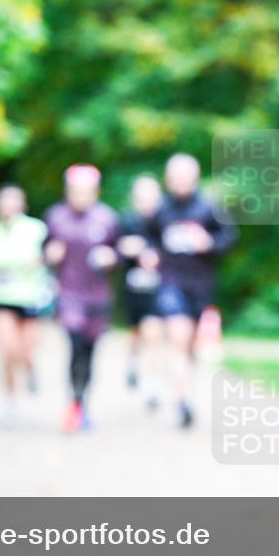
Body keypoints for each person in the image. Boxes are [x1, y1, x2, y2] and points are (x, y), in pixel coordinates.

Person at [145, 153, 238, 428]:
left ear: (195, 178)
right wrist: (150, 254)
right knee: (177, 337)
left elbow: (230, 238)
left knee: (192, 348)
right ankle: (182, 400)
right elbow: (149, 237)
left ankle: (186, 390)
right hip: (171, 284)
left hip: (202, 286)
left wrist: (208, 243)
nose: (181, 182)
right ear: (168, 179)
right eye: (176, 177)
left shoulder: (210, 207)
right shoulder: (161, 209)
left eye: (186, 177)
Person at [43, 165, 120, 434]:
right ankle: (74, 402)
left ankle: (83, 400)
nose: (81, 196)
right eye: (76, 190)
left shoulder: (107, 218)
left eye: (86, 191)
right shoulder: (55, 217)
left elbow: (119, 253)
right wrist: (50, 255)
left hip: (97, 296)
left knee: (90, 352)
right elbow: (44, 252)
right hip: (69, 294)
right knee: (74, 345)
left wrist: (112, 258)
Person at [0, 184, 52, 427]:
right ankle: (11, 401)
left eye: (12, 203)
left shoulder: (37, 229)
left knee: (25, 350)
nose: (7, 208)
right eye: (3, 203)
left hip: (31, 297)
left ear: (22, 205)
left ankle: (30, 367)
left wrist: (40, 261)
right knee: (8, 350)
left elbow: (51, 256)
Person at [117, 174, 164, 407]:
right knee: (136, 333)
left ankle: (151, 383)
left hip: (157, 288)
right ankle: (133, 362)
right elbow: (114, 248)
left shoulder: (164, 221)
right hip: (132, 288)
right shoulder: (126, 221)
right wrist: (128, 249)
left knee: (153, 334)